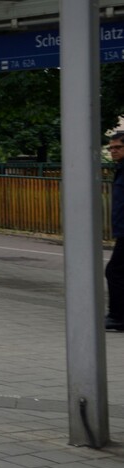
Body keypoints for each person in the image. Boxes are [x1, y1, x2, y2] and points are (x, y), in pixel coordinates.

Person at [107, 133, 124, 332]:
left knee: (114, 271)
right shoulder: (120, 169)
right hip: (122, 231)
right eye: (111, 148)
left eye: (117, 147)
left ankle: (118, 316)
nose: (113, 151)